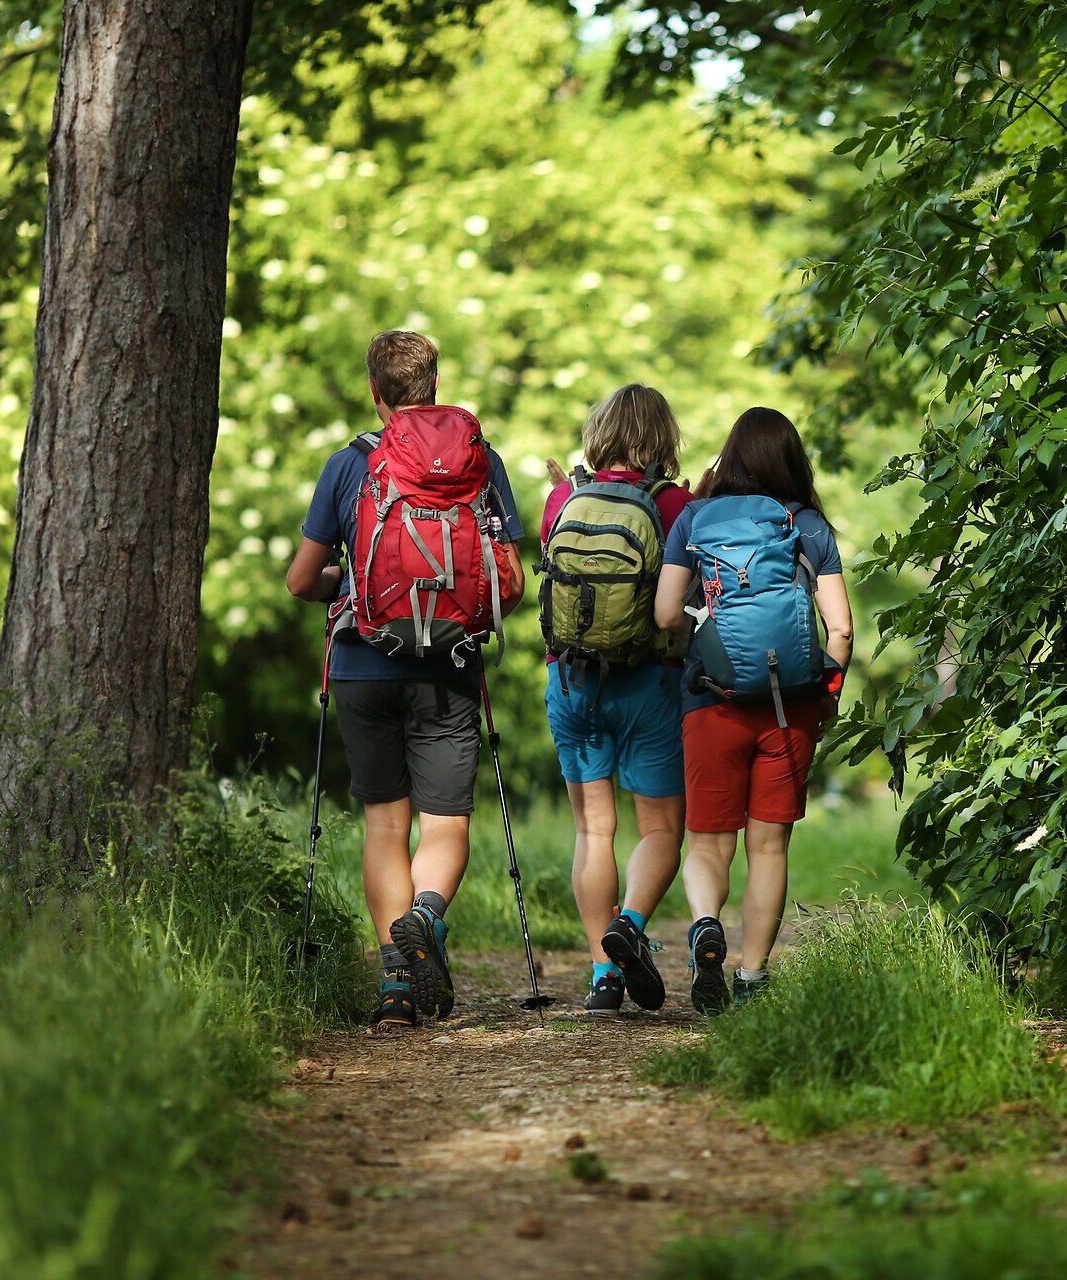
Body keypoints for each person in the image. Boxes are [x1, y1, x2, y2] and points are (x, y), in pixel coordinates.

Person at [286, 329, 527, 1029]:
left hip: (363, 663)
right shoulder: (482, 462)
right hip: (448, 667)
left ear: (374, 389)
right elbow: (506, 583)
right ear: (434, 383)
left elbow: (302, 580)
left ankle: (395, 981)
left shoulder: (348, 464)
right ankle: (426, 917)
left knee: (385, 825)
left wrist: (352, 580)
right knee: (445, 821)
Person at [654, 407, 853, 1014]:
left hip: (710, 702)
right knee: (769, 846)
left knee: (709, 843)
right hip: (789, 707)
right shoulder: (810, 525)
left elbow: (664, 616)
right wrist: (827, 699)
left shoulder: (693, 516)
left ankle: (706, 927)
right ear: (793, 460)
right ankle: (752, 977)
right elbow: (840, 631)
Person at [540, 385, 693, 1014]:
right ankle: (628, 923)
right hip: (648, 685)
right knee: (660, 828)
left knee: (591, 829)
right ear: (664, 439)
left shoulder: (564, 498)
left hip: (572, 682)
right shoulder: (675, 504)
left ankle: (603, 975)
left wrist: (559, 493)